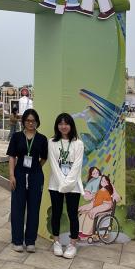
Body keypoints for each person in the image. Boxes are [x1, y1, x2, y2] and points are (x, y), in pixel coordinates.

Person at [7, 108, 48, 252]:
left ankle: (30, 241)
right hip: (19, 174)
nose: (31, 123)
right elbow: (12, 156)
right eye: (28, 120)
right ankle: (17, 240)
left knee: (34, 208)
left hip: (36, 176)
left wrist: (35, 168)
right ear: (23, 121)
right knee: (17, 208)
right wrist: (11, 175)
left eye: (33, 121)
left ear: (37, 122)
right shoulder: (17, 136)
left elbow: (44, 158)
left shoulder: (42, 139)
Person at [48, 113, 84, 259]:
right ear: (57, 126)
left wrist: (67, 183)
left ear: (71, 125)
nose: (63, 126)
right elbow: (53, 164)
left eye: (66, 123)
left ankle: (72, 244)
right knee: (56, 213)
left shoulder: (78, 143)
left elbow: (77, 166)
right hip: (55, 184)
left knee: (72, 214)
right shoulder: (52, 142)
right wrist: (62, 183)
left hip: (73, 185)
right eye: (60, 124)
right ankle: (56, 242)